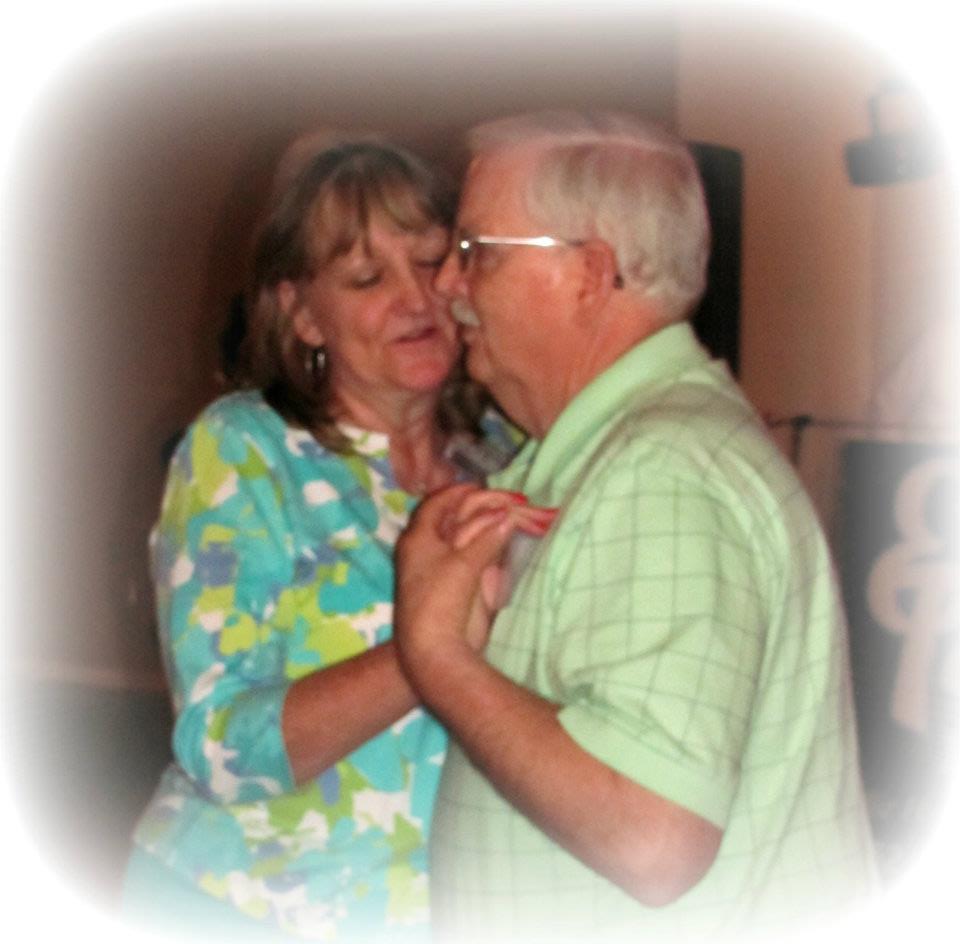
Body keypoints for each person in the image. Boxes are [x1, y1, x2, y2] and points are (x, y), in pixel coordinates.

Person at [392, 111, 879, 943]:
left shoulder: (662, 471)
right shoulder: (635, 453)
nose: (446, 284)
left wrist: (437, 658)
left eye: (478, 251)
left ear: (589, 273)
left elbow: (652, 839)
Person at [122, 137, 548, 942]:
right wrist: (429, 651)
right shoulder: (244, 450)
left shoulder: (509, 455)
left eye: (432, 262)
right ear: (303, 313)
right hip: (243, 910)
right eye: (366, 278)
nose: (417, 299)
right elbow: (219, 748)